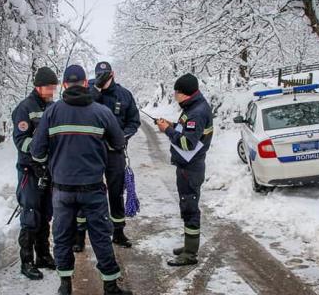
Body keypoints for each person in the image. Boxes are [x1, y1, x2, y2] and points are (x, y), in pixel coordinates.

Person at [31, 64, 133, 295]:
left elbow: (37, 152)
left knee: (62, 236)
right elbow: (118, 142)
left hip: (62, 189)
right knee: (101, 236)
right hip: (93, 187)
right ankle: (110, 288)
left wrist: (54, 160)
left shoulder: (52, 113)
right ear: (87, 83)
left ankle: (65, 286)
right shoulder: (102, 112)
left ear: (65, 85)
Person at [72, 62, 141, 252]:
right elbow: (77, 111)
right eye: (99, 75)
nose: (103, 79)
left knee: (116, 192)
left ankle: (118, 231)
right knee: (84, 191)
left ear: (113, 74)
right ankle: (79, 235)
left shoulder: (124, 95)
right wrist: (96, 90)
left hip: (114, 152)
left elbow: (134, 121)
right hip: (90, 153)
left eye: (106, 75)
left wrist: (121, 137)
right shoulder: (87, 92)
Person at [155, 73, 214, 266]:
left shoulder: (197, 112)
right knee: (187, 205)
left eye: (176, 92)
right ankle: (189, 246)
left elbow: (188, 143)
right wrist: (171, 125)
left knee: (190, 208)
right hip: (188, 166)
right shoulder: (193, 107)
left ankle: (190, 254)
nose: (174, 96)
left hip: (191, 167)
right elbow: (187, 130)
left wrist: (167, 131)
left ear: (185, 93)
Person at [11, 67, 58, 280]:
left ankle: (43, 255)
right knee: (31, 214)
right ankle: (27, 260)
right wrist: (37, 154)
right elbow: (21, 140)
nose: (52, 91)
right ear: (38, 86)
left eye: (54, 87)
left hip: (48, 170)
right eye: (49, 87)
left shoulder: (54, 107)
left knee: (46, 213)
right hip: (29, 170)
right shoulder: (24, 108)